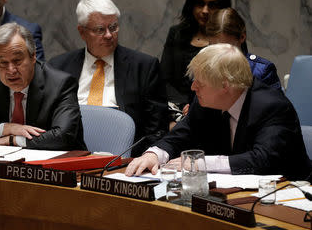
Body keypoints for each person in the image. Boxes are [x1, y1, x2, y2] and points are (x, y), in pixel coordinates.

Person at [126, 44, 311, 181]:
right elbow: (182, 133)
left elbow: (262, 159)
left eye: (200, 82)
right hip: (234, 193)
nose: (193, 87)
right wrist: (154, 154)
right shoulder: (206, 101)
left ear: (225, 85)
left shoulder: (273, 107)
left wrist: (200, 163)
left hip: (288, 194)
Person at [49, 0, 168, 157]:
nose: (108, 35)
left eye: (113, 27)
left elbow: (156, 129)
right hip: (67, 155)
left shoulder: (144, 67)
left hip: (126, 159)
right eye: (100, 29)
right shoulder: (58, 67)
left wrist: (133, 159)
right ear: (82, 32)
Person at [0, 22, 86, 151]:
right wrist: (7, 128)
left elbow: (63, 137)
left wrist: (13, 140)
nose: (11, 70)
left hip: (61, 166)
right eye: (3, 63)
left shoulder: (60, 84)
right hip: (6, 165)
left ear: (33, 56)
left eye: (17, 61)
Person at [160, 0, 231, 111]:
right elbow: (165, 79)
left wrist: (195, 107)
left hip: (214, 110)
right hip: (175, 108)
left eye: (212, 5)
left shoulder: (228, 38)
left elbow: (231, 84)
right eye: (200, 4)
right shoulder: (177, 33)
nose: (205, 11)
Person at [206, 7, 282, 90]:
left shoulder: (262, 71)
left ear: (242, 37)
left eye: (225, 48)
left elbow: (274, 102)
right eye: (213, 48)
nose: (218, 54)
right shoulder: (205, 68)